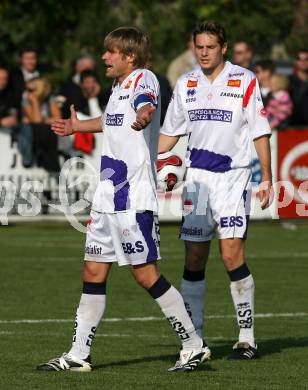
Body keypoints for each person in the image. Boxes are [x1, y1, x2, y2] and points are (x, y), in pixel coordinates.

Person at [37, 27, 209, 373]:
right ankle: (78, 355)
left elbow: (146, 103)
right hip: (107, 197)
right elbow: (111, 120)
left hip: (133, 198)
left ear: (129, 56)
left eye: (111, 52)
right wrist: (78, 127)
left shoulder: (143, 78)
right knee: (93, 271)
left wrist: (145, 115)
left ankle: (194, 345)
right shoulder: (117, 87)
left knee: (146, 275)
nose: (104, 57)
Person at [159, 20, 272, 360]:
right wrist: (145, 154)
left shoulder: (244, 80)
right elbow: (168, 135)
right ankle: (194, 341)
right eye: (199, 47)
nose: (204, 52)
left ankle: (247, 338)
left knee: (230, 254)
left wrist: (266, 176)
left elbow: (260, 131)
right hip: (196, 180)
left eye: (211, 46)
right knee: (194, 257)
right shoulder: (185, 83)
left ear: (223, 47)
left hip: (233, 177)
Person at [22, 77, 61, 173]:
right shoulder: (26, 100)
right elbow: (36, 121)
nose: (28, 92)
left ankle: (51, 165)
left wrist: (45, 120)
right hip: (36, 133)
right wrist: (34, 101)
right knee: (41, 129)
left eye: (31, 90)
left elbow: (58, 118)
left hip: (49, 133)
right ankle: (50, 164)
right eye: (27, 90)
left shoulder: (50, 99)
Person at [289, 49, 308, 126]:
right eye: (299, 59)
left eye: (306, 59)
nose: (303, 62)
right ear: (295, 62)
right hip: (292, 127)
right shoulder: (288, 81)